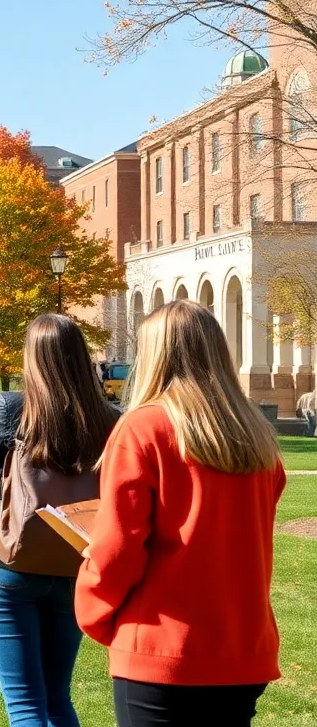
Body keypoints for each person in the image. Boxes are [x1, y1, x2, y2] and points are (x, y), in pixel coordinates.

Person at [75, 301, 286, 727]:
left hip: (161, 647)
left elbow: (117, 548)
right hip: (242, 646)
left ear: (154, 355)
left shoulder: (143, 428)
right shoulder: (257, 435)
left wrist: (94, 613)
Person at [0, 314, 119, 725]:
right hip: (74, 560)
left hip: (10, 559)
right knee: (58, 697)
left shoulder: (12, 408)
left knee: (25, 703)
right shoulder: (111, 419)